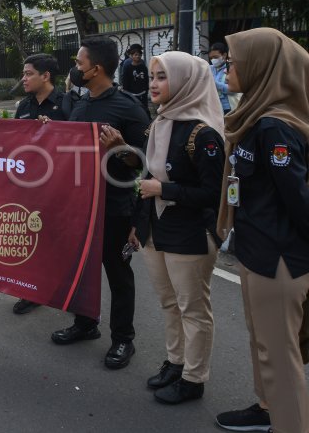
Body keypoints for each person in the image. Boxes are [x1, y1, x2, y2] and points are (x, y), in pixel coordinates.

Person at [214, 28, 309, 433]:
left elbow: (300, 203)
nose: (226, 67)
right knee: (264, 345)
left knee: (279, 357)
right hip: (256, 252)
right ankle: (266, 409)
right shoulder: (255, 117)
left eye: (233, 61)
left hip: (279, 259)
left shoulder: (276, 128)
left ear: (262, 68)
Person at [126, 51, 225, 404]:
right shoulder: (159, 124)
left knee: (193, 309)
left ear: (186, 81)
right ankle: (175, 362)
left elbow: (213, 194)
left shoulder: (205, 133)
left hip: (190, 232)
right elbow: (146, 179)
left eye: (162, 76)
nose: (153, 83)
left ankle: (193, 379)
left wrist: (163, 190)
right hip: (156, 228)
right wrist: (138, 225)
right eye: (152, 76)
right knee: (169, 302)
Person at [50, 37, 149, 370]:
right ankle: (85, 323)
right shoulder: (81, 103)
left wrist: (120, 149)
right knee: (80, 267)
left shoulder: (129, 108)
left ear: (97, 68)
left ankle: (123, 340)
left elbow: (144, 162)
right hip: (78, 204)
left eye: (80, 64)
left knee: (118, 274)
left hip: (113, 206)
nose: (76, 69)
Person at [10, 54, 70, 315]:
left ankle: (69, 295)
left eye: (28, 73)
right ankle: (32, 290)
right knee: (30, 240)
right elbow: (10, 143)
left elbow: (76, 144)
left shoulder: (67, 104)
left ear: (45, 76)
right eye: (23, 74)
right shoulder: (23, 106)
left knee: (61, 244)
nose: (24, 79)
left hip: (60, 188)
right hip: (28, 187)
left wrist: (53, 131)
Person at [208, 42, 236, 115]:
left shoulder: (231, 68)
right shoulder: (209, 68)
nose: (213, 60)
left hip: (227, 107)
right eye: (211, 58)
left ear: (224, 55)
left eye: (215, 57)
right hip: (213, 108)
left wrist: (215, 83)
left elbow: (233, 89)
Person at [119, 44, 150, 110]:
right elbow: (124, 78)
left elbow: (146, 79)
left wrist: (146, 89)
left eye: (139, 54)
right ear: (131, 55)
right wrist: (125, 91)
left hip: (142, 92)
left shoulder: (143, 65)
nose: (138, 56)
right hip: (131, 93)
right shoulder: (127, 65)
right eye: (136, 54)